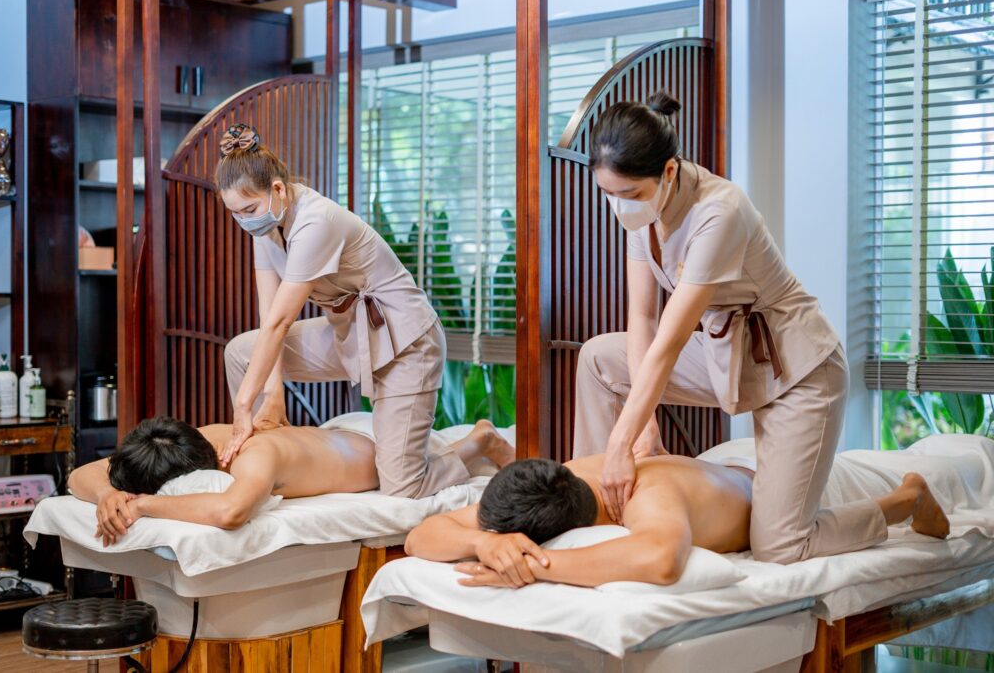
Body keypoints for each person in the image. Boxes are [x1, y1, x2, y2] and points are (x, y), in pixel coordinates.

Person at [575, 90, 873, 564]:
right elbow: (643, 319)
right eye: (608, 194)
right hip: (725, 355)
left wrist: (621, 441)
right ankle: (597, 504)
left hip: (796, 368)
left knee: (779, 546)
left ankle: (902, 503)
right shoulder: (642, 213)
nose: (618, 206)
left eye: (628, 195)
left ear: (668, 171)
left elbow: (669, 341)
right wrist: (643, 427)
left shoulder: (719, 210)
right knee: (598, 358)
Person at [215, 123, 468, 499]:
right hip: (351, 332)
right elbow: (269, 318)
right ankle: (270, 455)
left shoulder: (316, 220)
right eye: (235, 213)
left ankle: (479, 444)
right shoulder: (265, 229)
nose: (244, 220)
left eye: (249, 209)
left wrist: (242, 407)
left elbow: (282, 322)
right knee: (240, 351)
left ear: (278, 190)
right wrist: (272, 397)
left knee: (402, 487)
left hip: (406, 341)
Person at [405, 442, 951, 589]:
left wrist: (531, 565)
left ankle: (908, 496)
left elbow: (662, 558)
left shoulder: (649, 500)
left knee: (784, 543)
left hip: (789, 483)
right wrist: (482, 544)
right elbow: (419, 537)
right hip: (716, 469)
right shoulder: (554, 483)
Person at [67, 416, 513, 546]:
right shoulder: (185, 442)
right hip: (334, 436)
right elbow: (79, 475)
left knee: (411, 481)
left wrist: (143, 505)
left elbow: (230, 512)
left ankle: (480, 439)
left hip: (378, 446)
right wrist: (108, 493)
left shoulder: (255, 456)